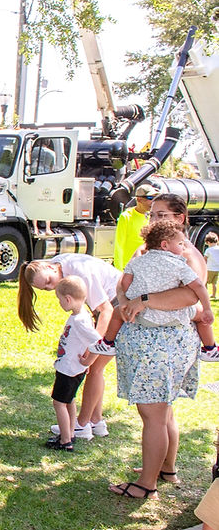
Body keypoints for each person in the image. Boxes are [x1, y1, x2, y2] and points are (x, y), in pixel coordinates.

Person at [107, 194, 206, 499]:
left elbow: (191, 300)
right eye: (152, 215)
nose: (154, 221)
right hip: (150, 344)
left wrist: (143, 301)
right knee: (162, 414)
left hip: (164, 345)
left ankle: (145, 485)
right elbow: (123, 286)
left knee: (153, 416)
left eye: (162, 215)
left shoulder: (186, 255)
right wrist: (125, 303)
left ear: (180, 218)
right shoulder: (149, 249)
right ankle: (165, 468)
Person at [18, 254, 121, 439]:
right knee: (95, 369)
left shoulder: (78, 270)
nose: (52, 287)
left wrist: (92, 349)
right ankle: (96, 422)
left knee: (94, 368)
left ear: (50, 267)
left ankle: (81, 425)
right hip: (111, 309)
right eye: (46, 288)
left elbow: (107, 310)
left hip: (118, 307)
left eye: (49, 281)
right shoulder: (59, 265)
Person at [90, 220, 219, 362]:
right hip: (173, 316)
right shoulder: (179, 265)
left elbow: (125, 283)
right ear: (165, 245)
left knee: (116, 312)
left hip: (142, 316)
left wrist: (131, 300)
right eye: (181, 244)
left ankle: (108, 343)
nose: (183, 248)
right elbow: (199, 286)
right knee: (201, 315)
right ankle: (210, 348)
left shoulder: (137, 261)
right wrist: (207, 308)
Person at [45, 276, 100, 451]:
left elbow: (98, 342)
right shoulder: (82, 314)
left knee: (59, 403)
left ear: (68, 299)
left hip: (69, 369)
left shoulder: (80, 321)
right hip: (72, 367)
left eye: (59, 300)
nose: (60, 303)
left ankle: (65, 440)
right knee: (69, 400)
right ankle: (69, 433)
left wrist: (89, 359)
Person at [113, 183, 156, 270]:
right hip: (129, 267)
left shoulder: (153, 217)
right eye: (150, 198)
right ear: (139, 199)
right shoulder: (126, 217)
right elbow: (119, 244)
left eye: (155, 198)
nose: (153, 202)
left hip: (147, 267)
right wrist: (119, 269)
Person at [205, 232, 219, 299]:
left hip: (209, 268)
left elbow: (205, 258)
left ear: (208, 242)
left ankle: (205, 294)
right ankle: (214, 295)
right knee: (214, 283)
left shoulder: (208, 250)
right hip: (217, 269)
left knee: (205, 282)